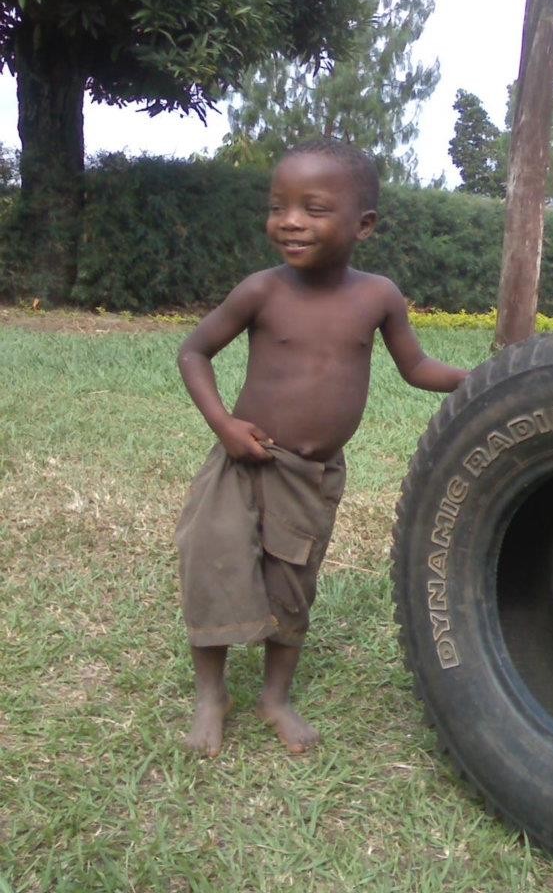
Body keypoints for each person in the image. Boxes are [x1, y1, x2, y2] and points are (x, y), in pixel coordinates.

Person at [175, 138, 468, 757]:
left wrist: (481, 378)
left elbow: (416, 368)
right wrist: (224, 425)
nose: (289, 221)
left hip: (310, 475)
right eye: (277, 206)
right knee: (214, 563)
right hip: (244, 461)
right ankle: (211, 696)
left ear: (364, 225)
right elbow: (194, 351)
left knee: (292, 583)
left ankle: (275, 697)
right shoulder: (261, 291)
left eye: (313, 208)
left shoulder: (378, 297)